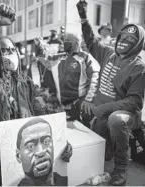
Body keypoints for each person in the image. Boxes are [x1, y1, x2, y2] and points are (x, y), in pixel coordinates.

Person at [0, 4, 72, 186]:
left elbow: (41, 116)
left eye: (12, 50)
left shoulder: (25, 83)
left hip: (17, 163)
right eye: (3, 50)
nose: (10, 54)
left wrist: (61, 143)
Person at [76, 0, 145, 186]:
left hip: (126, 115)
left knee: (116, 120)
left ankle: (121, 169)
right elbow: (91, 41)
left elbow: (135, 103)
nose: (124, 42)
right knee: (102, 154)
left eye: (130, 41)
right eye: (122, 37)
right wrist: (83, 17)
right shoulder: (108, 54)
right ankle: (112, 148)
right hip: (102, 114)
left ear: (137, 44)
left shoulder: (139, 67)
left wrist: (105, 107)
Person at [35, 32, 100, 121]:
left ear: (77, 43)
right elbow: (44, 60)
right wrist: (40, 47)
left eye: (68, 40)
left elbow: (94, 79)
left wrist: (88, 100)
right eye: (64, 40)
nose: (64, 43)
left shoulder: (85, 58)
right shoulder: (59, 57)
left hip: (79, 105)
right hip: (61, 107)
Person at [12, 118, 68, 186]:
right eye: (31, 146)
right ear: (18, 156)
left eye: (46, 142)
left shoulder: (66, 182)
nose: (41, 151)